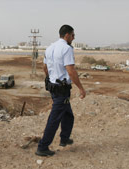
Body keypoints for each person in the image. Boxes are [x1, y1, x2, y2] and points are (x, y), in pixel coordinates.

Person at [35, 25, 86, 156]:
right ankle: (43, 147)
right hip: (61, 90)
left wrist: (50, 78)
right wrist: (81, 88)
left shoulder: (50, 47)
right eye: (73, 35)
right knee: (55, 118)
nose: (74, 38)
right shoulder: (66, 49)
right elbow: (71, 70)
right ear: (67, 35)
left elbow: (45, 68)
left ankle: (64, 138)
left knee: (68, 114)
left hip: (53, 86)